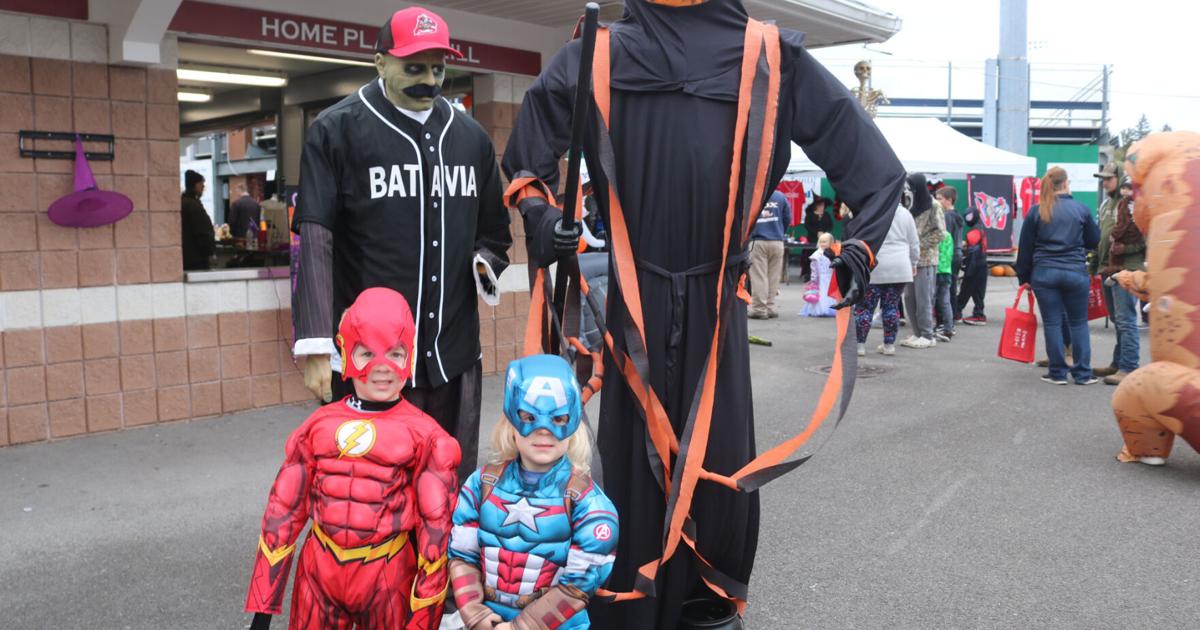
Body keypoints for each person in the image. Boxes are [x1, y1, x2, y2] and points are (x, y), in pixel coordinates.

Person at [501, 2, 906, 626]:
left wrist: (861, 245)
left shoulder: (770, 55)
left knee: (715, 461)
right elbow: (528, 159)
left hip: (718, 302)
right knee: (630, 466)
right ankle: (627, 609)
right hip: (635, 302)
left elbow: (876, 171)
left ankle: (706, 607)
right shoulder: (598, 53)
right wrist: (545, 217)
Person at [289, 7, 512, 481]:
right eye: (414, 67)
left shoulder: (471, 138)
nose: (429, 81)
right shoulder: (335, 131)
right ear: (380, 63)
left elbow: (494, 234)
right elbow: (316, 240)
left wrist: (482, 265)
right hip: (372, 361)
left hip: (453, 352)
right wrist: (313, 347)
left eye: (438, 68)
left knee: (447, 485)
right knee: (367, 493)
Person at [244, 288, 460, 630]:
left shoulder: (426, 436)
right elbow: (282, 513)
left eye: (395, 353)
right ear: (345, 352)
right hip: (318, 572)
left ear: (411, 355)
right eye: (366, 354)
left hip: (387, 573)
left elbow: (436, 536)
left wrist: (423, 620)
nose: (381, 367)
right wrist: (263, 609)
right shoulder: (317, 425)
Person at [448, 354, 619, 630]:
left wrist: (522, 627)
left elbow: (580, 583)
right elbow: (462, 555)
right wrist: (474, 611)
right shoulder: (480, 485)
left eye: (558, 419)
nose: (543, 431)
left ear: (573, 422)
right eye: (529, 417)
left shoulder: (590, 504)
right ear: (510, 420)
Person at [1015, 167, 1101, 385]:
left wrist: (1024, 277)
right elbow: (1094, 240)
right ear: (1066, 183)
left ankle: (1057, 373)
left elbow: (1025, 248)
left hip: (1044, 273)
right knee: (1079, 323)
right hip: (1074, 272)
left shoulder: (1037, 211)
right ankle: (1082, 374)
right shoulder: (1081, 209)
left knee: (1052, 323)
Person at [855, 200, 920, 356]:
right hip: (900, 265)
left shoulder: (872, 210)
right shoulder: (905, 214)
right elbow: (914, 242)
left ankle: (860, 345)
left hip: (874, 264)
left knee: (865, 308)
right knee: (891, 307)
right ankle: (889, 345)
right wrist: (914, 262)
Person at [1097, 175, 1145, 385]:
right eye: (1124, 188)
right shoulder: (1116, 206)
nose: (1126, 191)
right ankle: (1118, 363)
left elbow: (1145, 241)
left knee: (1126, 320)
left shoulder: (1141, 209)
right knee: (1118, 320)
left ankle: (1129, 367)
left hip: (1129, 269)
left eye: (1129, 187)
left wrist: (1125, 248)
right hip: (1112, 267)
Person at [901, 173, 947, 349]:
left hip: (926, 259)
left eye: (911, 187)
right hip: (909, 259)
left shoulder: (934, 206)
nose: (908, 190)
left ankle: (927, 334)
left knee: (923, 298)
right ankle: (917, 333)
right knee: (909, 297)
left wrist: (918, 245)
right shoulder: (909, 204)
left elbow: (940, 233)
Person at [748, 190, 792, 319]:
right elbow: (787, 218)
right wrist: (779, 231)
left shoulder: (754, 194)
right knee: (773, 276)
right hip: (777, 241)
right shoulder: (780, 196)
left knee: (759, 276)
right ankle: (770, 307)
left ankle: (759, 309)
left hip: (758, 240)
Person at [935, 186, 964, 321]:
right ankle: (954, 314)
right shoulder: (957, 215)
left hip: (949, 255)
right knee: (951, 285)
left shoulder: (946, 216)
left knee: (946, 288)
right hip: (958, 253)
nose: (937, 201)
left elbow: (944, 238)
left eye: (940, 198)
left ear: (949, 200)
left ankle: (947, 317)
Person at [958, 209, 989, 325]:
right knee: (977, 291)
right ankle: (978, 314)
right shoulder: (980, 228)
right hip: (981, 263)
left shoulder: (975, 231)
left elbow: (972, 248)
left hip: (974, 264)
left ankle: (957, 311)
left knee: (967, 289)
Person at [181, 169, 215, 271]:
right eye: (201, 183)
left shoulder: (183, 202)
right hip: (196, 259)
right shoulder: (193, 205)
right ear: (194, 185)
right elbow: (201, 231)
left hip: (188, 256)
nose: (203, 186)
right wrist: (209, 252)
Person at [800, 232, 837, 318]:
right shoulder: (817, 255)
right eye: (821, 242)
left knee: (831, 294)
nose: (822, 244)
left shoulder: (834, 254)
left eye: (825, 242)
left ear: (831, 242)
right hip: (821, 279)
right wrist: (813, 280)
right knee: (822, 294)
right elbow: (814, 269)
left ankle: (831, 309)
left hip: (831, 278)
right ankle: (821, 309)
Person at [933, 227, 955, 341]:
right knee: (945, 302)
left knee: (930, 301)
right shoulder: (948, 235)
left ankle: (929, 329)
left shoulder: (935, 234)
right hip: (947, 271)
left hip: (936, 270)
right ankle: (948, 329)